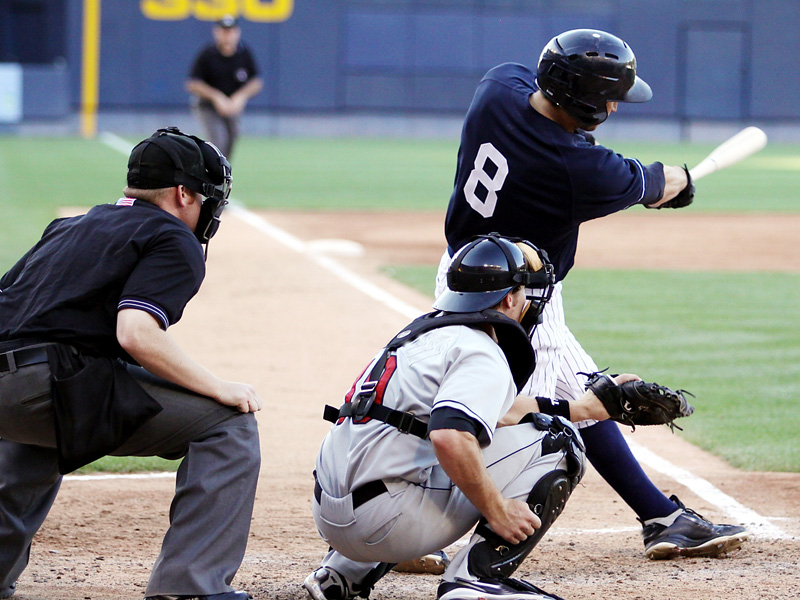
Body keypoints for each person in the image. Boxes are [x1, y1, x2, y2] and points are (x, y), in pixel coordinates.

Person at [435, 28, 748, 560]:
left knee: (578, 388)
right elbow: (658, 182)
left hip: (463, 271)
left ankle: (660, 515)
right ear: (585, 101)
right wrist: (682, 183)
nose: (614, 106)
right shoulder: (579, 170)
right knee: (530, 418)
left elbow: (577, 142)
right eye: (609, 97)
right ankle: (454, 549)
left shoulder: (498, 87)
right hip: (521, 297)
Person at [303, 234, 641, 600]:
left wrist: (581, 409)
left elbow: (495, 412)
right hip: (385, 522)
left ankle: (342, 574)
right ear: (509, 298)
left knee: (416, 443)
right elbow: (449, 436)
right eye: (524, 293)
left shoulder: (421, 335)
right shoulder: (480, 349)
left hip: (331, 517)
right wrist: (498, 510)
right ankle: (474, 579)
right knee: (560, 441)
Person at [0, 127, 261, 600]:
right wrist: (217, 386)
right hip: (45, 384)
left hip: (13, 386)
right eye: (207, 198)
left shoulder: (69, 226)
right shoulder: (173, 237)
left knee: (40, 429)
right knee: (228, 426)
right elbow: (136, 333)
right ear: (184, 194)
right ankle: (190, 587)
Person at [186, 15, 263, 161]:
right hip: (208, 107)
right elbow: (193, 83)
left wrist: (240, 97)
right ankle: (209, 176)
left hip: (232, 107)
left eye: (231, 31)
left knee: (230, 142)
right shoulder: (208, 54)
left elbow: (256, 82)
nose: (227, 35)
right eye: (223, 31)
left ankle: (221, 175)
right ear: (216, 32)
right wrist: (216, 97)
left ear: (237, 32)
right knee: (218, 142)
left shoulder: (244, 53)